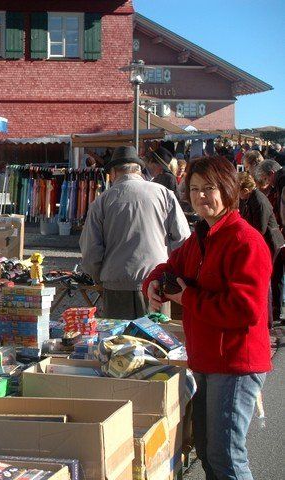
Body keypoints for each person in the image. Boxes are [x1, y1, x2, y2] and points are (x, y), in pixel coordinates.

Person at [143, 156, 271, 480]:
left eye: (209, 188)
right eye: (194, 188)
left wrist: (187, 298)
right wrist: (154, 283)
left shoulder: (245, 241)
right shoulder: (201, 235)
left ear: (227, 190)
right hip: (205, 360)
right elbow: (169, 266)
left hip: (235, 363)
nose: (200, 196)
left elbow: (244, 309)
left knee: (226, 456)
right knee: (207, 451)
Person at [79, 146, 189, 320]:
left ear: (113, 173)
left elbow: (91, 251)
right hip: (156, 283)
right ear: (139, 170)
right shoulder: (163, 194)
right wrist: (170, 274)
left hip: (116, 285)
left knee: (120, 336)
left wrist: (100, 277)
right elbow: (182, 239)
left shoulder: (102, 201)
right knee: (157, 336)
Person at [238, 172, 284, 257]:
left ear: (246, 190)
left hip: (272, 243)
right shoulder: (248, 198)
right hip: (264, 241)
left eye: (238, 192)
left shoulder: (259, 201)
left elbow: (260, 228)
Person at [252, 159, 285, 226]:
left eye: (266, 178)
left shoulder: (282, 182)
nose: (267, 182)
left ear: (271, 173)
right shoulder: (279, 182)